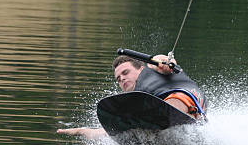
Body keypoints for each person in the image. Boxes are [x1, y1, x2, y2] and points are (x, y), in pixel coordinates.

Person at [57, 54, 206, 139]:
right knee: (132, 130)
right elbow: (110, 132)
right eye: (118, 78)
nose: (121, 78)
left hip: (187, 98)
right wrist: (81, 131)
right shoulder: (139, 102)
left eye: (125, 73)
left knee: (173, 100)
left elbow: (165, 61)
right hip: (170, 117)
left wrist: (167, 63)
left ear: (140, 68)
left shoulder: (151, 67)